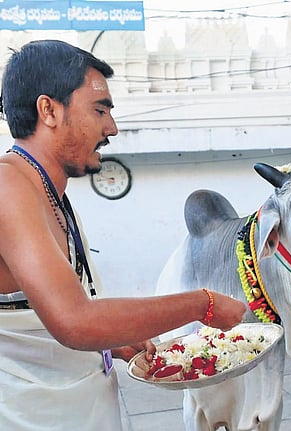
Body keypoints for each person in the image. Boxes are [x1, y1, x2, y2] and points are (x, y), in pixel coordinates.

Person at [0, 40, 247, 430]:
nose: (111, 128)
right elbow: (74, 321)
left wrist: (110, 338)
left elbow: (47, 313)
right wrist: (203, 303)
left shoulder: (47, 190)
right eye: (99, 109)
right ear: (48, 109)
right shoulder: (7, 186)